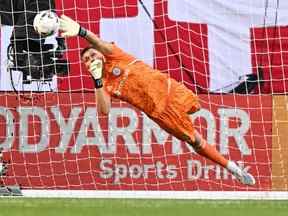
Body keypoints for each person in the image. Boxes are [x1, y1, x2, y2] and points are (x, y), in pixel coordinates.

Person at [59, 15, 255, 186]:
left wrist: (81, 32)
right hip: (160, 112)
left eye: (92, 54)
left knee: (197, 106)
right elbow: (104, 111)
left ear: (100, 54)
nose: (91, 59)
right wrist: (97, 80)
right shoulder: (105, 85)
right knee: (194, 140)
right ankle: (232, 168)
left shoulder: (116, 56)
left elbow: (99, 43)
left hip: (171, 90)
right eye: (86, 60)